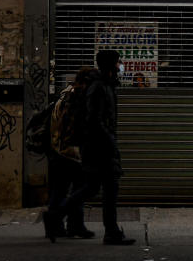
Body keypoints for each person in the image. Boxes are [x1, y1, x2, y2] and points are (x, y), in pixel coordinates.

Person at [43, 49, 136, 245]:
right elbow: (95, 120)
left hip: (98, 145)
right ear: (111, 64)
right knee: (109, 188)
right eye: (118, 62)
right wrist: (111, 143)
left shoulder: (106, 85)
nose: (121, 65)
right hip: (98, 147)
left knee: (92, 188)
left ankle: (55, 215)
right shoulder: (98, 87)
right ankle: (110, 232)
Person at [44, 66, 95, 238]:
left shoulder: (65, 95)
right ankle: (73, 225)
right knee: (79, 190)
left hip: (58, 150)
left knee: (60, 190)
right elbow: (74, 127)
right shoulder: (77, 97)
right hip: (71, 152)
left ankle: (56, 225)